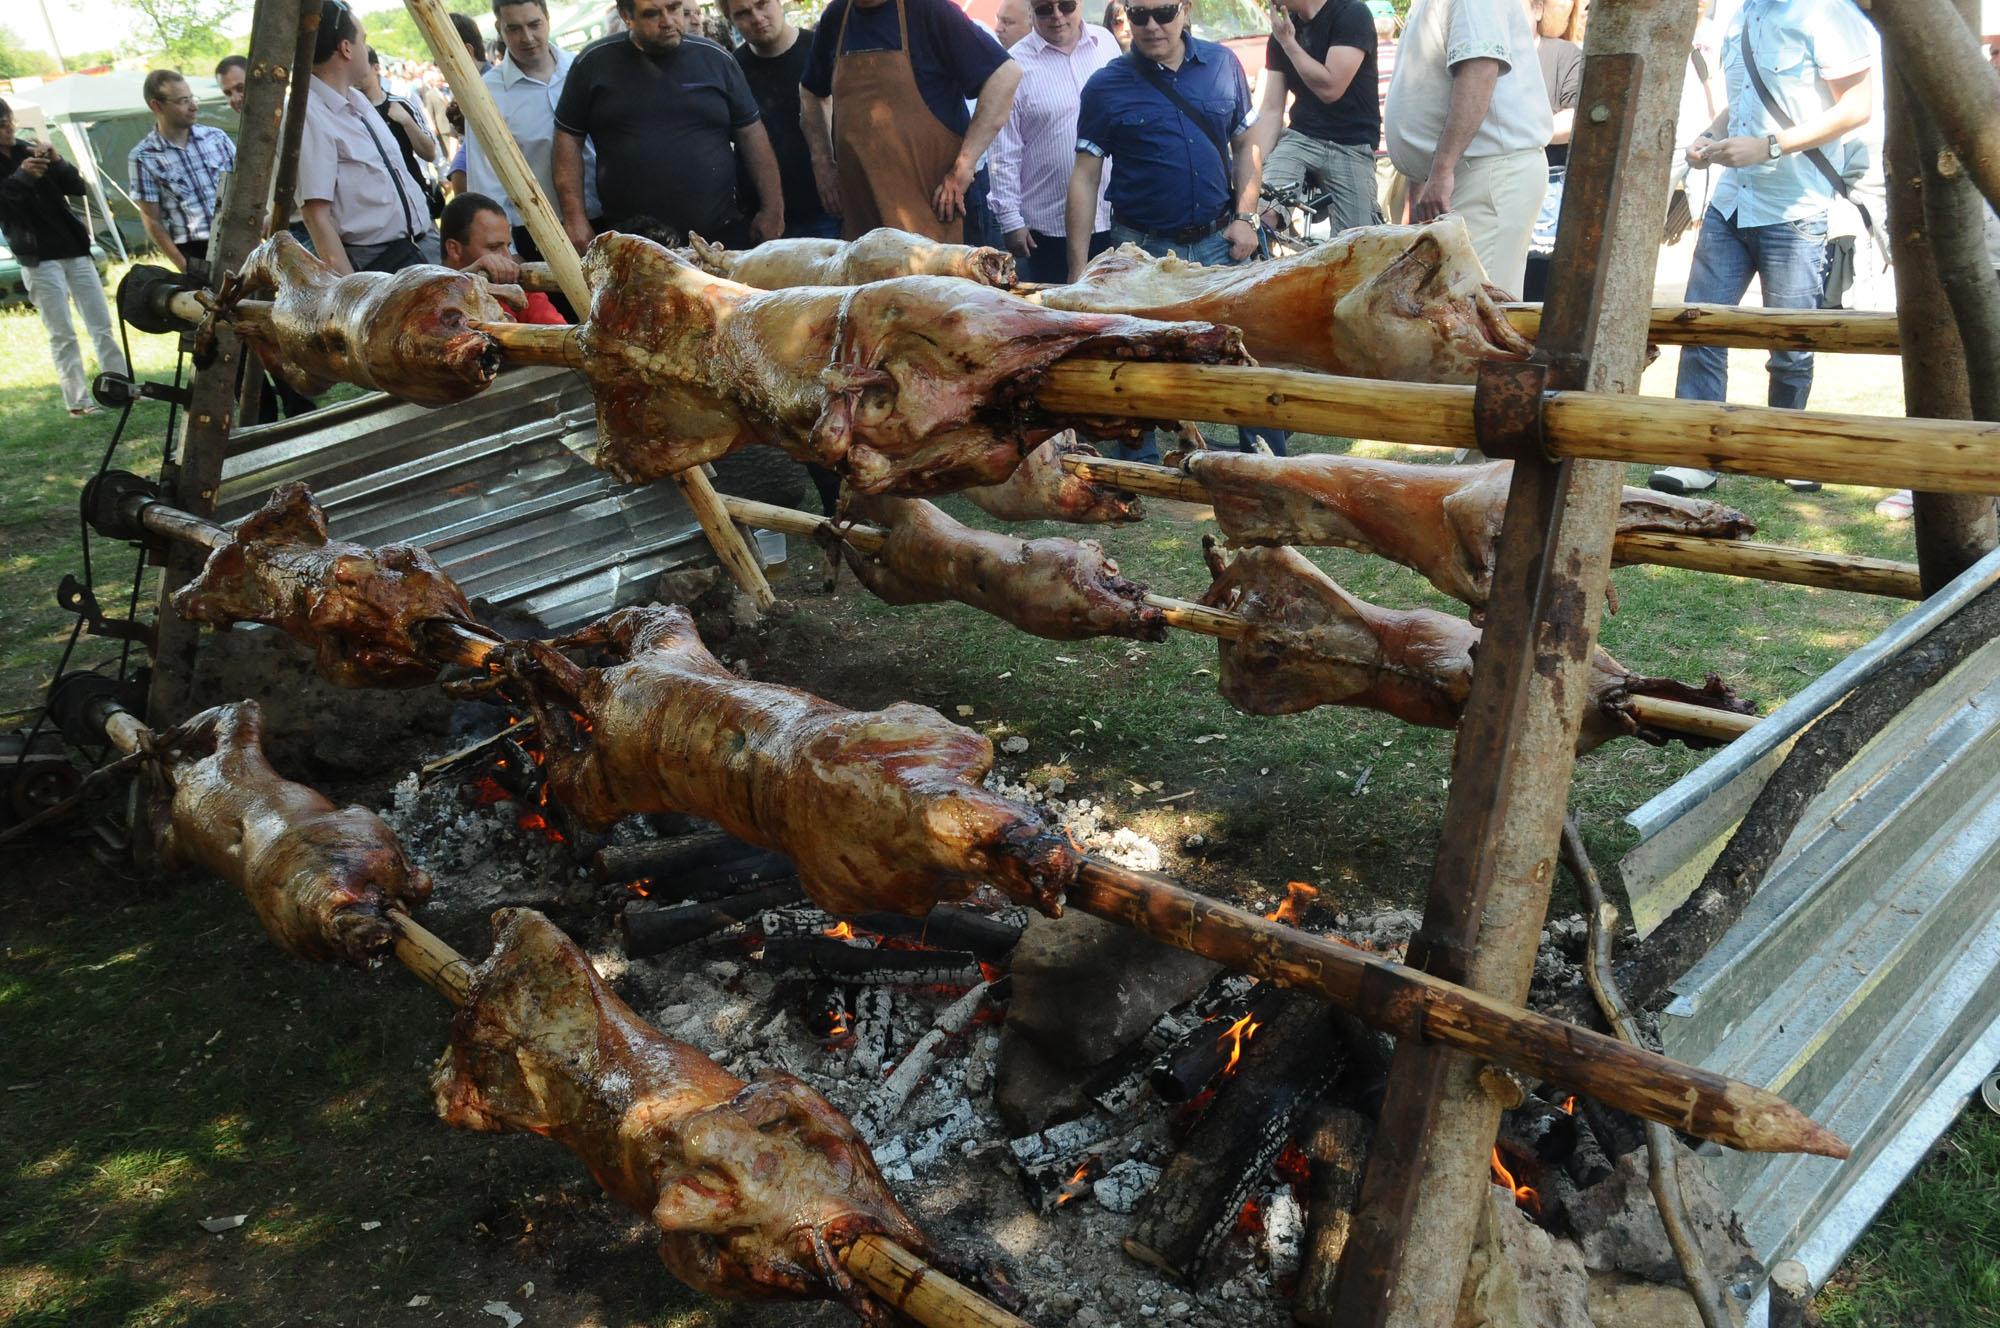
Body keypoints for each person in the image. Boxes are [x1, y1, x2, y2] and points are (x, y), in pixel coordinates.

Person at [1650, 0, 1874, 497]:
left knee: (1790, 342)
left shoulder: (1826, 12)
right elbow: (1746, 97)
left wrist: (1769, 146)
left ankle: (1785, 442)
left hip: (1795, 207)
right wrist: (1711, 135)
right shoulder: (1741, 13)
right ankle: (1696, 453)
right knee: (1700, 328)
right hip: (1731, 202)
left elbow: (1858, 107)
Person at [1067, 0, 1286, 460]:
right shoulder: (1106, 85)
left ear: (1185, 9)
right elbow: (1085, 177)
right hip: (1141, 248)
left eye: (1163, 12)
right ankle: (1140, 470)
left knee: (1244, 356)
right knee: (1134, 363)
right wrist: (1079, 270)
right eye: (1139, 13)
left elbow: (1246, 146)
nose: (1151, 25)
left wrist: (1246, 218)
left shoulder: (1223, 64)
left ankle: (1268, 463)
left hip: (1218, 242)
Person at [554, 0, 783, 248]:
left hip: (719, 235)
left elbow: (752, 134)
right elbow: (567, 138)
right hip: (635, 243)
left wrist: (773, 207)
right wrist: (574, 216)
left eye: (674, 8)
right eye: (652, 14)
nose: (668, 21)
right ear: (626, 16)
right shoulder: (592, 63)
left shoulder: (716, 58)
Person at [799, 0, 1023, 244]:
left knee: (947, 281)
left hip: (938, 206)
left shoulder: (931, 10)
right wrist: (822, 164)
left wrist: (964, 167)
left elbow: (1004, 76)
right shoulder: (836, 16)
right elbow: (811, 91)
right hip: (864, 210)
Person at [1382, 0, 1551, 295]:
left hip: (1488, 172)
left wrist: (1441, 170)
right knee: (1455, 313)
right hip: (1465, 172)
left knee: (1476, 315)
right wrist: (1425, 178)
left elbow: (1480, 70)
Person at [0, 100, 129, 418]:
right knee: (62, 332)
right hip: (38, 258)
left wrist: (57, 161)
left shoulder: (27, 149)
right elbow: (6, 206)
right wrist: (22, 177)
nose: (10, 129)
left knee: (101, 324)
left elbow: (77, 187)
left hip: (73, 247)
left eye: (10, 121)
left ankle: (121, 388)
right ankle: (78, 402)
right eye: (2, 124)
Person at [299, 0, 440, 273]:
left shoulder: (357, 101)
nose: (367, 48)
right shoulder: (310, 116)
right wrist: (353, 291)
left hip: (421, 245)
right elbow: (316, 217)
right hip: (380, 263)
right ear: (346, 48)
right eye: (363, 40)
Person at [989, 0, 1120, 283]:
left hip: (1114, 217)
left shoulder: (1106, 44)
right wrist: (1010, 219)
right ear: (1030, 11)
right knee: (1061, 319)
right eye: (1044, 9)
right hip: (1048, 228)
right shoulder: (1013, 67)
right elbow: (1004, 149)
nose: (1057, 16)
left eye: (1066, 5)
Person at [464, 0, 599, 260]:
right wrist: (507, 251)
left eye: (534, 24)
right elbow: (486, 178)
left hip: (607, 218)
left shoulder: (582, 68)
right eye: (513, 29)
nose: (527, 38)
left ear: (547, 18)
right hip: (540, 235)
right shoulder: (487, 93)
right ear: (499, 29)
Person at [1249, 0, 1384, 236]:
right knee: (1262, 212)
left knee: (1359, 243)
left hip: (1351, 146)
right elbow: (1271, 109)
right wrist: (1251, 171)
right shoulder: (1281, 33)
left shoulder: (1351, 13)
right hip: (1300, 138)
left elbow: (1331, 89)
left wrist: (1289, 43)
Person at [727, 0, 837, 239]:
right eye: (743, 13)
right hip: (766, 218)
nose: (757, 17)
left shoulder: (820, 50)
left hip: (827, 208)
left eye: (762, 4)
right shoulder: (731, 69)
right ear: (731, 20)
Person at [129, 69, 238, 272]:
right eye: (182, 101)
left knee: (260, 302)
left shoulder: (216, 138)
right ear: (157, 105)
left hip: (238, 240)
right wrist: (184, 265)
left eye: (192, 98)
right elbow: (152, 219)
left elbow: (246, 187)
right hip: (195, 249)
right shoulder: (144, 156)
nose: (193, 106)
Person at [1519, 0, 1580, 301]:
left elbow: (1575, 118)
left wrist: (1517, 134)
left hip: (1549, 186)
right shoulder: (1482, 61)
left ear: (1538, 9)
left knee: (1539, 289)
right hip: (1490, 184)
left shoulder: (1564, 55)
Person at [441, 192, 566, 324]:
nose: (508, 258)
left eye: (508, 246)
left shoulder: (519, 288)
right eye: (494, 247)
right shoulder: (422, 300)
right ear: (454, 249)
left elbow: (560, 332)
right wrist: (465, 279)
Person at [359, 46, 442, 220]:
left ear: (376, 68)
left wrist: (406, 121)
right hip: (378, 212)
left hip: (416, 202)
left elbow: (429, 153)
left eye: (361, 64)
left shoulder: (401, 104)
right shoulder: (349, 114)